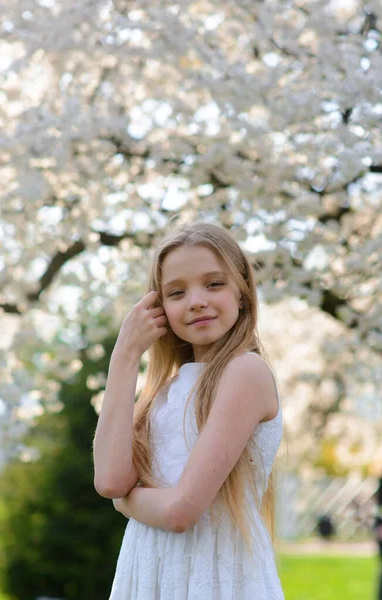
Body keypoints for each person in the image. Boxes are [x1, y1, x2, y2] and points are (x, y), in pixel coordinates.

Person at [93, 222, 285, 599]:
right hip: (149, 571)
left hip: (213, 574)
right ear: (159, 307)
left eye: (214, 284)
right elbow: (110, 480)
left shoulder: (245, 372)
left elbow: (181, 512)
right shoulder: (164, 392)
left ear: (243, 293)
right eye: (177, 292)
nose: (196, 300)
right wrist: (125, 356)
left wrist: (125, 502)